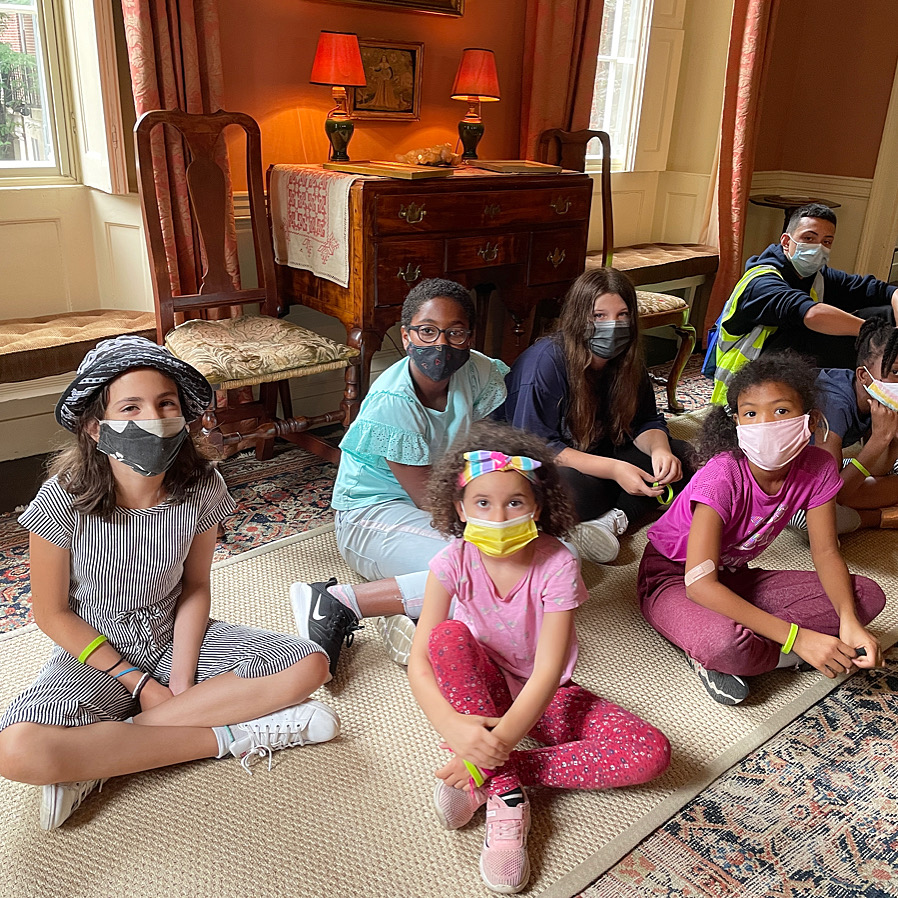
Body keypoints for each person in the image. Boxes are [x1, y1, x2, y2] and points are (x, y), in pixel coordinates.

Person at [0, 336, 338, 830]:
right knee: (15, 748)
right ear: (97, 428)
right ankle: (234, 736)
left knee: (311, 664)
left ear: (183, 417)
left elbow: (196, 586)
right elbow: (51, 614)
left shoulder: (203, 487)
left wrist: (178, 681)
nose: (153, 418)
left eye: (166, 404)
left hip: (173, 634)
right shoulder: (63, 499)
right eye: (130, 406)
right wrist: (140, 684)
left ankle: (105, 752)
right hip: (94, 649)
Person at [407, 421, 671, 894]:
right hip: (477, 688)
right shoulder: (451, 561)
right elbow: (421, 660)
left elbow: (549, 669)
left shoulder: (558, 563)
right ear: (458, 508)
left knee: (650, 753)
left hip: (544, 693)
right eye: (482, 503)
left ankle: (490, 776)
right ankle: (507, 798)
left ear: (538, 505)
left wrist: (485, 754)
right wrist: (452, 727)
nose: (499, 515)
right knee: (447, 636)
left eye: (515, 502)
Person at [639, 351, 886, 706]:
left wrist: (848, 620)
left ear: (810, 418)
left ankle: (759, 646)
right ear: (737, 422)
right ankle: (753, 654)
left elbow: (826, 551)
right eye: (751, 413)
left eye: (781, 410)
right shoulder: (722, 475)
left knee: (865, 596)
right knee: (725, 644)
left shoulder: (818, 467)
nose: (765, 424)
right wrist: (798, 640)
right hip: (673, 578)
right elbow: (700, 585)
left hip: (734, 575)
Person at [291, 279, 509, 673]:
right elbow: (429, 499)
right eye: (427, 331)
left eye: (455, 332)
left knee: (531, 556)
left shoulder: (477, 371)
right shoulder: (394, 402)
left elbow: (490, 449)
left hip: (442, 503)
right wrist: (495, 524)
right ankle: (341, 601)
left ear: (468, 336)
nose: (440, 344)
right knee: (490, 564)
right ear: (407, 336)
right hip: (372, 517)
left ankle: (407, 614)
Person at [496, 267, 694, 564]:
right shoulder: (545, 363)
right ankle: (620, 504)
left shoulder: (627, 359)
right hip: (539, 459)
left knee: (687, 460)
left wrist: (660, 450)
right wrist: (615, 470)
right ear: (578, 317)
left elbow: (646, 421)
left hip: (600, 448)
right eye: (599, 316)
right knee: (572, 493)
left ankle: (612, 519)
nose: (612, 326)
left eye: (622, 315)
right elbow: (537, 447)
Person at [708, 202, 898, 404]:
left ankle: (882, 391)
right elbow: (811, 314)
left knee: (882, 314)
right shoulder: (760, 281)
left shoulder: (819, 277)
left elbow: (884, 291)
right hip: (745, 386)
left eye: (826, 241)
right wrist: (877, 334)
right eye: (809, 238)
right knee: (849, 331)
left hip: (789, 370)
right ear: (786, 241)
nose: (818, 247)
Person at [791, 316, 898, 536]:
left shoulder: (876, 401)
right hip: (778, 472)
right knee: (815, 516)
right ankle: (878, 517)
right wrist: (878, 440)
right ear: (863, 375)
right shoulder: (833, 404)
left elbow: (878, 469)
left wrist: (892, 438)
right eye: (896, 372)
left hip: (824, 468)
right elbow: (832, 493)